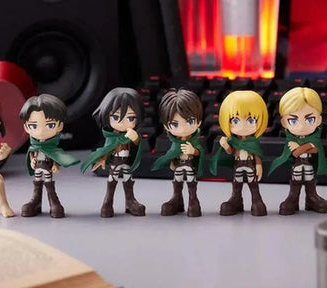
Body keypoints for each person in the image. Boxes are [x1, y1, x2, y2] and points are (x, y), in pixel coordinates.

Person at [81, 88, 145, 218]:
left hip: (127, 161)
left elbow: (137, 147)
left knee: (128, 180)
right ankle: (108, 202)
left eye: (130, 118)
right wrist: (102, 159)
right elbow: (107, 149)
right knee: (112, 181)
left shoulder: (131, 134)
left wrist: (135, 139)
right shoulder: (111, 136)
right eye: (116, 117)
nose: (122, 122)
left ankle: (130, 201)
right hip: (115, 161)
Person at [269, 87, 327, 215]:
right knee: (296, 182)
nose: (302, 126)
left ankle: (311, 199)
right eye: (293, 120)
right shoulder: (291, 140)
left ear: (318, 120)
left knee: (310, 182)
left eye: (310, 120)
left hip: (308, 165)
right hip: (297, 165)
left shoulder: (314, 139)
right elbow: (295, 153)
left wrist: (304, 146)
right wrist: (308, 146)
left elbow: (316, 150)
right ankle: (293, 200)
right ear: (284, 122)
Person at [20, 94, 79, 218]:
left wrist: (55, 165)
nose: (41, 131)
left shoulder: (52, 148)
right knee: (37, 182)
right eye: (34, 126)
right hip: (38, 167)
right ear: (26, 127)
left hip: (47, 166)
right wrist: (32, 160)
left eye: (50, 125)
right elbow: (32, 154)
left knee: (48, 183)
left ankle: (54, 201)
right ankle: (35, 201)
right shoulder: (34, 146)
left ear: (60, 126)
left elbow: (55, 155)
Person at [210, 90, 268, 216]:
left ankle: (257, 201)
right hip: (238, 164)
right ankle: (236, 200)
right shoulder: (233, 141)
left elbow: (256, 153)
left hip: (250, 164)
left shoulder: (253, 142)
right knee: (237, 184)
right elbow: (231, 152)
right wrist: (226, 146)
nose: (242, 127)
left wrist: (258, 165)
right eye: (235, 121)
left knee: (253, 185)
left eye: (251, 120)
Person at [152, 89, 204, 217]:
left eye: (190, 122)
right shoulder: (175, 143)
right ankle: (177, 199)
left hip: (189, 164)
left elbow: (200, 152)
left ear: (199, 122)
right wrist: (172, 161)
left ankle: (193, 200)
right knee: (177, 183)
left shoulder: (194, 141)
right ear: (166, 126)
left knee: (191, 183)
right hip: (179, 165)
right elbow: (171, 153)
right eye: (175, 124)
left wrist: (194, 151)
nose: (183, 129)